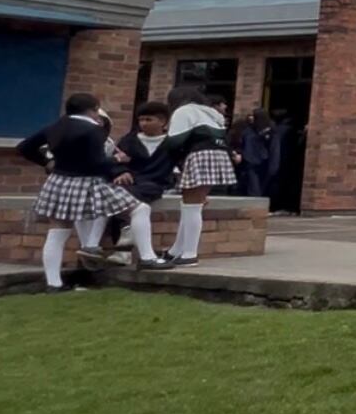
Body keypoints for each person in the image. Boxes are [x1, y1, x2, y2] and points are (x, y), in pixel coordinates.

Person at [14, 94, 142, 291]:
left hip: (58, 181)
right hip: (84, 182)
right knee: (136, 208)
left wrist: (47, 162)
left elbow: (24, 148)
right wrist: (118, 160)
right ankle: (137, 254)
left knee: (57, 232)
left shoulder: (56, 126)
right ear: (94, 109)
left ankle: (53, 284)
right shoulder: (93, 130)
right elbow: (96, 164)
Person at [163, 89, 236, 266]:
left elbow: (174, 140)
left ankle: (189, 254)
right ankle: (176, 250)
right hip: (218, 156)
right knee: (191, 205)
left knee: (192, 206)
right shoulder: (211, 113)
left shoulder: (184, 111)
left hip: (199, 155)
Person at [107, 101, 176, 269]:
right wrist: (120, 171)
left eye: (148, 119)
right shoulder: (129, 140)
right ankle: (124, 244)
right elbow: (115, 161)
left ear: (162, 121)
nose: (143, 123)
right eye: (141, 120)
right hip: (130, 182)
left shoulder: (172, 143)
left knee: (130, 199)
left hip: (155, 183)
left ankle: (124, 247)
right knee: (123, 198)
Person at [239, 109, 281, 201]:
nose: (251, 118)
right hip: (250, 162)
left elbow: (274, 150)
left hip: (263, 163)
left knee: (260, 188)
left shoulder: (270, 131)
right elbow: (242, 144)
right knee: (253, 188)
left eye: (253, 116)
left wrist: (273, 165)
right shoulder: (247, 130)